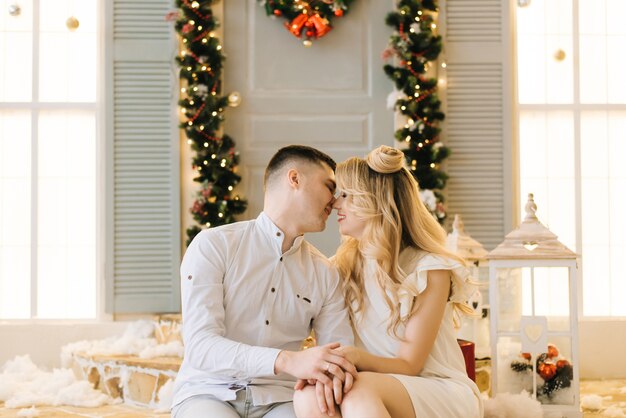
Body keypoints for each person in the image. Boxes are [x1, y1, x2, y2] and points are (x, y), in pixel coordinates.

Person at [293, 145, 483, 418]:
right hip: (368, 382)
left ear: (375, 201)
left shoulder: (428, 269)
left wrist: (355, 358)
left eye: (347, 195)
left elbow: (410, 364)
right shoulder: (342, 266)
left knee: (359, 392)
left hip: (435, 387)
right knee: (309, 395)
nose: (336, 203)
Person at [171, 145, 357, 418]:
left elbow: (337, 356)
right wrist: (286, 360)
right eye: (330, 186)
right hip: (208, 392)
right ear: (294, 179)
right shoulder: (214, 245)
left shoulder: (325, 272)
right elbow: (201, 346)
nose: (336, 200)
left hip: (281, 399)